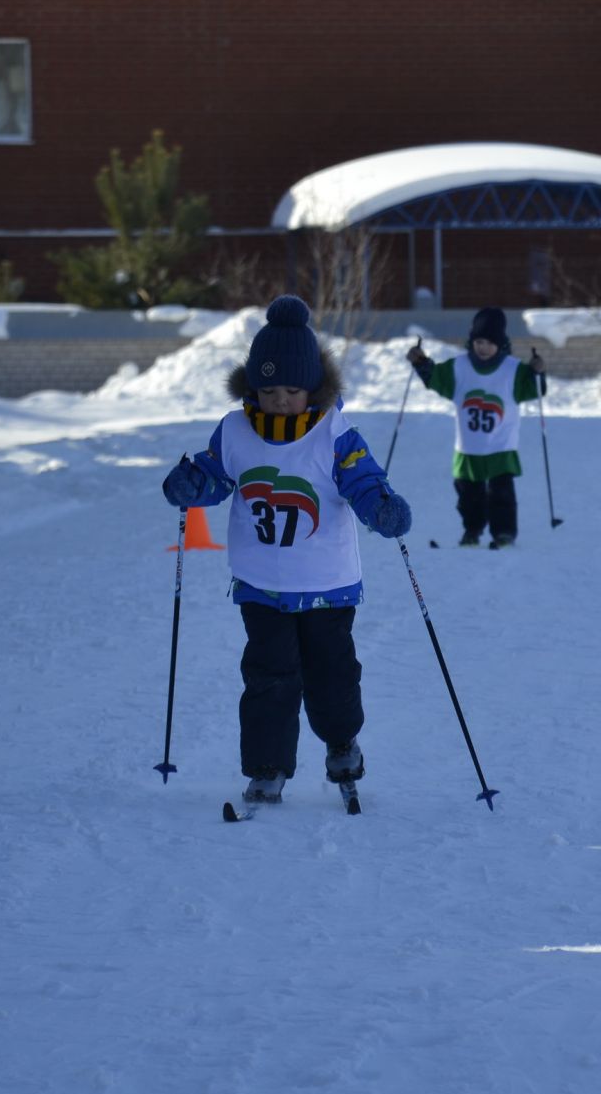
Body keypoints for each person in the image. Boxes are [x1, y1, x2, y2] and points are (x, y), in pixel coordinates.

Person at [162, 295, 413, 804]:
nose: (279, 399)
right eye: (268, 388)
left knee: (331, 675)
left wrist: (382, 508)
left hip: (327, 586)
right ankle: (267, 766)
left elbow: (364, 482)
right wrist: (190, 484)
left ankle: (342, 741)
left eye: (292, 390)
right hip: (261, 586)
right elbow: (215, 474)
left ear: (313, 389)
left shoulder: (334, 433)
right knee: (268, 678)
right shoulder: (234, 430)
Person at [406, 307, 547, 549]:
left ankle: (503, 533)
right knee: (468, 496)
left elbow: (534, 388)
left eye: (490, 343)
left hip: (501, 447)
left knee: (501, 494)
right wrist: (421, 362)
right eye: (479, 341)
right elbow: (436, 378)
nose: (483, 347)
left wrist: (537, 371)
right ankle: (472, 530)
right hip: (469, 448)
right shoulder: (459, 367)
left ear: (500, 344)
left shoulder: (512, 370)